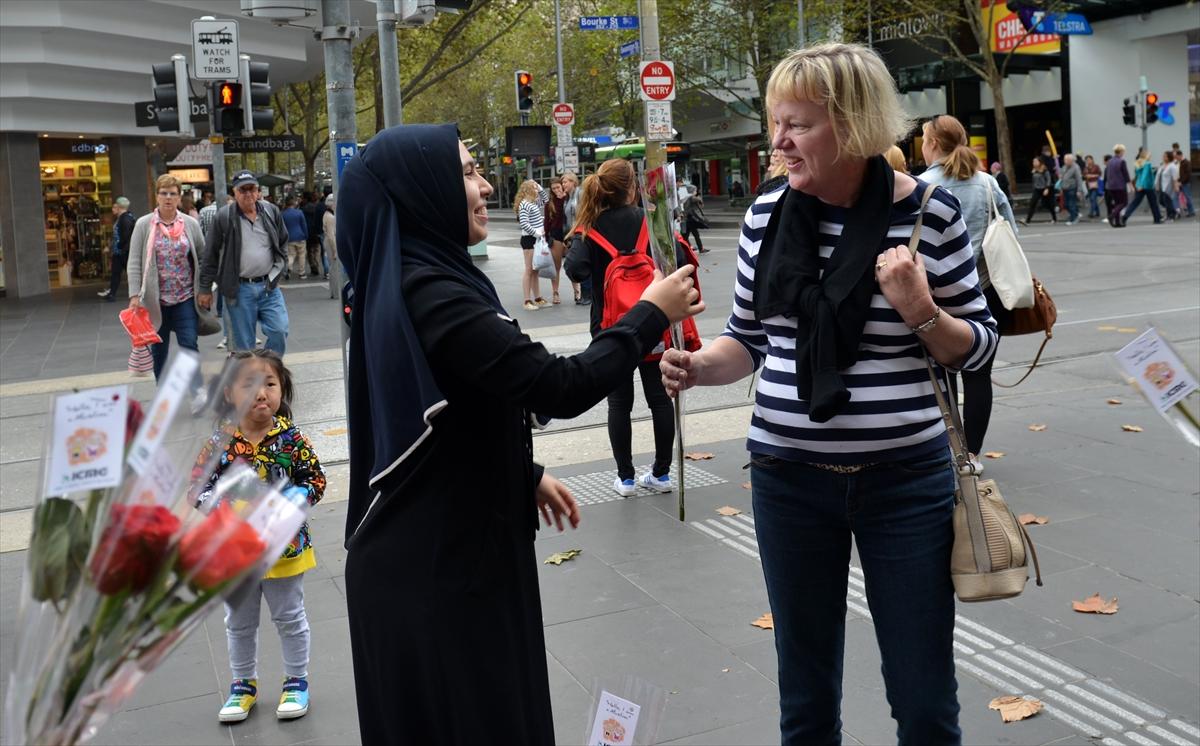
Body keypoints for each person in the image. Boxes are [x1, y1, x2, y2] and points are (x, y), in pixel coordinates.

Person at [660, 43, 997, 745]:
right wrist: (697, 366)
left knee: (924, 700)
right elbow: (748, 341)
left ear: (852, 125)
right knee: (806, 700)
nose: (777, 142)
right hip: (788, 479)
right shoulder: (765, 217)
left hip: (907, 484)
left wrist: (922, 312)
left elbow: (982, 346)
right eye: (776, 122)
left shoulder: (928, 215)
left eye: (798, 124)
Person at [336, 124, 702, 745]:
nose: (483, 187)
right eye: (467, 172)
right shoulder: (430, 294)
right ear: (421, 191)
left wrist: (522, 472)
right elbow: (555, 386)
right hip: (437, 579)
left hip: (452, 548)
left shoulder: (425, 279)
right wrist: (650, 314)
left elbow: (452, 410)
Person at [197, 350, 326, 724]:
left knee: (289, 617)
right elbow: (199, 487)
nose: (261, 393)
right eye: (249, 385)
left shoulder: (291, 438)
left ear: (282, 389)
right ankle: (243, 686)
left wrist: (297, 498)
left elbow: (314, 479)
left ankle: (296, 681)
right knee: (238, 621)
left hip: (284, 548)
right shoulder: (220, 441)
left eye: (270, 383)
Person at [564, 159, 681, 497]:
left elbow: (576, 271)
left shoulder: (590, 226)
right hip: (652, 324)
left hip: (609, 329)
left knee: (619, 404)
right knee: (659, 399)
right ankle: (661, 474)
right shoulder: (650, 220)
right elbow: (678, 262)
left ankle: (626, 478)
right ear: (633, 187)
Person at [919, 114, 1016, 472]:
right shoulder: (988, 183)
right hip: (985, 294)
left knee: (939, 378)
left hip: (934, 299)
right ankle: (971, 455)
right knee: (979, 377)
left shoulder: (922, 185)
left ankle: (946, 450)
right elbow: (1011, 234)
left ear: (932, 144)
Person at [126, 174, 212, 380]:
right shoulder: (143, 225)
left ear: (179, 197)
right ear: (156, 196)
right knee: (159, 350)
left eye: (172, 194)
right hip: (155, 300)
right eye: (163, 193)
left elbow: (202, 256)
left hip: (185, 297)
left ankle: (197, 391)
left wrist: (204, 289)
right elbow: (134, 262)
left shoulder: (190, 223)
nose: (168, 198)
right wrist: (134, 295)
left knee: (189, 344)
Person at [198, 170, 290, 355]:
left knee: (279, 330)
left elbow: (282, 241)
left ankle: (271, 371)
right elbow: (210, 254)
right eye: (243, 190)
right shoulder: (224, 217)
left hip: (269, 286)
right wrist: (205, 288)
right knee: (245, 345)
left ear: (258, 191)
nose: (248, 194)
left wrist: (280, 268)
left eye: (252, 189)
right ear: (235, 192)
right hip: (240, 289)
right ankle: (251, 379)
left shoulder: (271, 211)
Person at [515, 179, 549, 310]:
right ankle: (527, 301)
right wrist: (537, 233)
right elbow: (524, 223)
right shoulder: (525, 204)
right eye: (534, 188)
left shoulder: (533, 202)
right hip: (529, 239)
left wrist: (539, 187)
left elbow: (546, 200)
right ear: (528, 190)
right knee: (529, 270)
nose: (537, 191)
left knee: (535, 270)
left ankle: (538, 298)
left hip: (535, 239)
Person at [98, 196, 135, 301]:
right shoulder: (124, 217)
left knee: (123, 273)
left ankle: (113, 294)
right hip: (121, 251)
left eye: (115, 206)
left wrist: (118, 246)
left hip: (123, 251)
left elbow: (125, 235)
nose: (113, 209)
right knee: (116, 273)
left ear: (119, 207)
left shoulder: (125, 219)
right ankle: (112, 293)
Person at [561, 171, 587, 305]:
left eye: (565, 182)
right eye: (563, 182)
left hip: (582, 232)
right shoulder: (568, 197)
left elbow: (583, 213)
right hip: (573, 234)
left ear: (573, 182)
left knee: (579, 262)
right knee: (573, 264)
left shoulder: (580, 194)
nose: (563, 185)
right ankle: (582, 293)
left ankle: (586, 294)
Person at [1123, 147, 1163, 224]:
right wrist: (1142, 184)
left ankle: (1125, 216)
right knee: (1153, 203)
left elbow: (1139, 174)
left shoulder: (1137, 162)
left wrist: (1139, 184)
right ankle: (1157, 219)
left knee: (1135, 202)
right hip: (1147, 185)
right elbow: (1145, 174)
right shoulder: (1147, 163)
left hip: (1138, 184)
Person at [543, 178, 567, 304]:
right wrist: (546, 239)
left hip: (569, 234)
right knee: (556, 267)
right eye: (554, 188)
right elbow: (547, 223)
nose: (557, 190)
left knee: (574, 263)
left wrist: (563, 198)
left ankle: (578, 292)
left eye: (558, 187)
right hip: (556, 235)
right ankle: (555, 293)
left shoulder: (568, 199)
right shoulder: (550, 204)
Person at [300, 191, 327, 278]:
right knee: (317, 249)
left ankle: (313, 265)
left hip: (308, 232)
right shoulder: (317, 207)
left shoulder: (303, 209)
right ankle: (317, 263)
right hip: (316, 231)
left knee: (309, 250)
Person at [282, 197, 309, 279]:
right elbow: (304, 225)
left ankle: (288, 268)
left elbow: (282, 228)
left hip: (289, 238)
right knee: (302, 255)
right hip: (300, 236)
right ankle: (302, 273)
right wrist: (306, 235)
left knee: (291, 255)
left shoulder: (283, 214)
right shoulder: (299, 212)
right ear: (293, 203)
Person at [1023, 156, 1057, 224]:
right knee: (1032, 203)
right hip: (1037, 189)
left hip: (1044, 189)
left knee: (1049, 205)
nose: (1034, 163)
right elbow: (1034, 180)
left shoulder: (1044, 170)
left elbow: (1048, 179)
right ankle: (1027, 220)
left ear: (1040, 162)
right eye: (1033, 162)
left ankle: (1054, 218)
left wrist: (1047, 188)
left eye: (1035, 161)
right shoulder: (1034, 170)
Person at [682, 184, 709, 253]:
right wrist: (699, 198)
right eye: (695, 190)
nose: (696, 192)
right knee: (689, 235)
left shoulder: (686, 197)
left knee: (688, 235)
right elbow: (698, 199)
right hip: (690, 219)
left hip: (688, 219)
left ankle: (698, 248)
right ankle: (694, 248)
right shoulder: (691, 197)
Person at [1058, 153, 1084, 225]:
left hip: (1072, 188)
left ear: (1071, 160)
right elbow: (1061, 175)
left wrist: (1079, 190)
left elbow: (1079, 179)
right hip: (1065, 188)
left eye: (1067, 160)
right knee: (1066, 204)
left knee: (1071, 204)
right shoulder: (1064, 167)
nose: (1065, 161)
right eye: (1065, 160)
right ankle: (1076, 214)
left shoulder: (1076, 167)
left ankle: (1073, 219)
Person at [1156, 150, 1179, 222]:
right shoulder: (1162, 165)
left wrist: (1176, 186)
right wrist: (1157, 185)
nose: (1163, 157)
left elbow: (1175, 177)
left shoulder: (1172, 166)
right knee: (1161, 201)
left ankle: (1171, 216)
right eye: (1163, 156)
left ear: (1169, 157)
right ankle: (1174, 212)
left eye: (1165, 156)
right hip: (1162, 186)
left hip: (1168, 186)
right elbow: (1158, 176)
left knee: (1167, 201)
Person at [1175, 150, 1195, 217]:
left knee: (1187, 197)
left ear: (1180, 155)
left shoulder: (1186, 162)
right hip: (1179, 182)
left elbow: (1188, 174)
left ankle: (1191, 211)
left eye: (1177, 156)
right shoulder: (1178, 162)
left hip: (1185, 183)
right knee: (1175, 197)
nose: (1176, 158)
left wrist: (1182, 182)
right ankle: (1177, 211)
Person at [322, 193, 337, 272]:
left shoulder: (327, 215)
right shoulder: (330, 217)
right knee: (334, 268)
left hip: (328, 242)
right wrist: (335, 251)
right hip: (330, 244)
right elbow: (331, 236)